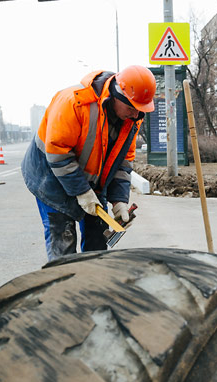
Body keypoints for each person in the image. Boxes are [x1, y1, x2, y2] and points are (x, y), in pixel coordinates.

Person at [24, 65, 156, 260]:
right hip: (51, 178)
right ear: (117, 96)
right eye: (131, 108)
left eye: (140, 110)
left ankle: (92, 283)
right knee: (63, 241)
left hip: (92, 182)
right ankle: (65, 285)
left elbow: (123, 162)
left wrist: (119, 200)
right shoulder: (74, 101)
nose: (136, 115)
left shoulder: (132, 117)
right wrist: (81, 191)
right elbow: (58, 153)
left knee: (97, 241)